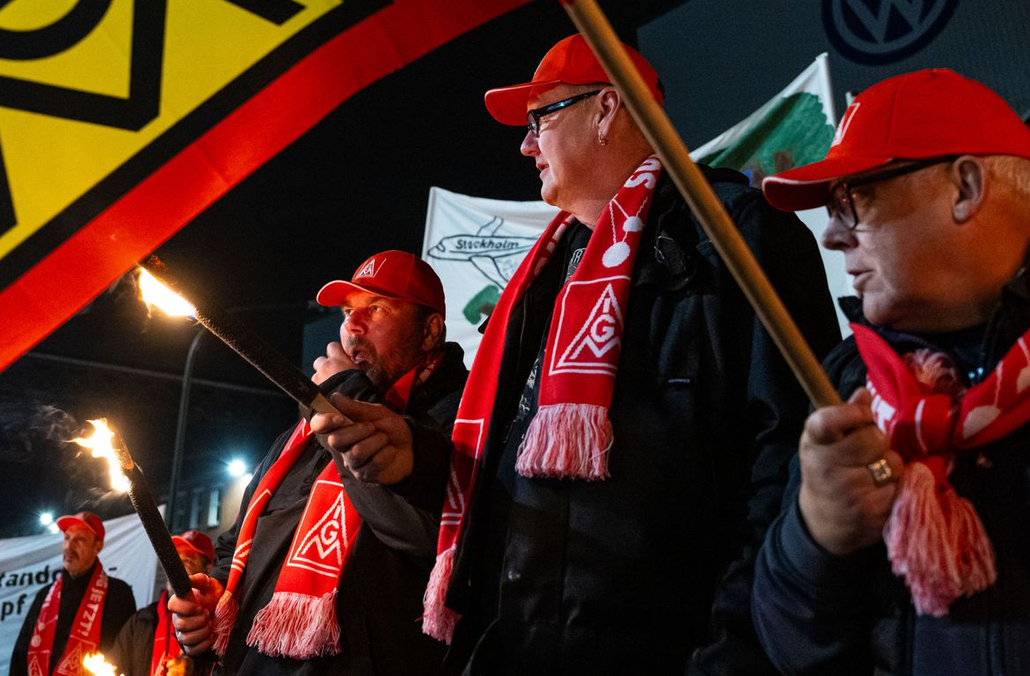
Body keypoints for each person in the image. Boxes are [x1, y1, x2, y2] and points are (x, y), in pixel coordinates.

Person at [408, 33, 841, 673]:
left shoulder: (733, 236)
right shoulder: (541, 279)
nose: (526, 145)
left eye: (540, 119)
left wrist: (733, 654)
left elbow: (787, 463)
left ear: (607, 108)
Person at [752, 68, 1030, 674]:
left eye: (853, 199)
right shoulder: (842, 383)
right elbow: (787, 645)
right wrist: (815, 536)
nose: (830, 235)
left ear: (965, 187)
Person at [167, 251, 468, 675]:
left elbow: (423, 533)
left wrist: (346, 395)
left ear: (430, 330)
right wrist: (212, 596)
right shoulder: (297, 437)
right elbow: (235, 545)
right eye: (348, 312)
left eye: (377, 309)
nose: (352, 326)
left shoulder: (463, 414)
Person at [9, 512, 135, 676]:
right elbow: (20, 654)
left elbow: (124, 657)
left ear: (98, 546)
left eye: (80, 540)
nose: (69, 547)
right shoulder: (45, 595)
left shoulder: (118, 594)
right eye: (67, 538)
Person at [109, 532, 213, 676]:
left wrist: (193, 670)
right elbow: (114, 665)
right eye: (174, 562)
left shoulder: (217, 626)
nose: (174, 570)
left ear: (207, 569)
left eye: (187, 561)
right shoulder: (142, 620)